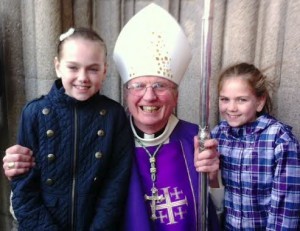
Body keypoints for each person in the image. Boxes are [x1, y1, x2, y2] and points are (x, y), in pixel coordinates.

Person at [3, 4, 223, 231]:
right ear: (126, 93)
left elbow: (218, 209)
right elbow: (27, 192)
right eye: (138, 86)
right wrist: (16, 167)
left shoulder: (196, 140)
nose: (149, 96)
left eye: (160, 85)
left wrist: (213, 178)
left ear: (176, 96)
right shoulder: (111, 131)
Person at [6, 27, 134, 230]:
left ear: (104, 71)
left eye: (93, 69)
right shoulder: (35, 113)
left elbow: (115, 187)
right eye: (73, 67)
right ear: (58, 67)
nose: (83, 77)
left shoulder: (114, 115)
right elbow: (24, 189)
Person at [195, 62, 300, 230]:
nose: (231, 108)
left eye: (241, 100)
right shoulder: (218, 135)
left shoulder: (279, 140)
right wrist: (212, 177)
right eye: (224, 99)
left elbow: (285, 209)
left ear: (259, 102)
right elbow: (215, 194)